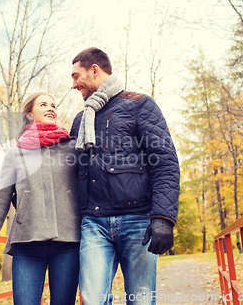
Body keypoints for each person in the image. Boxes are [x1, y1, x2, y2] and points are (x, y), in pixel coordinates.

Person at [69, 47, 180, 305]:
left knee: (140, 300)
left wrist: (163, 217)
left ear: (94, 70)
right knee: (93, 300)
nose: (74, 85)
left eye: (76, 76)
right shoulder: (79, 120)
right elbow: (70, 173)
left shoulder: (140, 105)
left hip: (138, 220)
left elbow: (165, 162)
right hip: (93, 223)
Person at [0, 92, 81, 305]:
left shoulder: (72, 148)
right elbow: (0, 201)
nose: (51, 108)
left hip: (67, 242)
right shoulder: (15, 154)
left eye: (53, 105)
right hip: (27, 243)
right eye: (44, 104)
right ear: (29, 113)